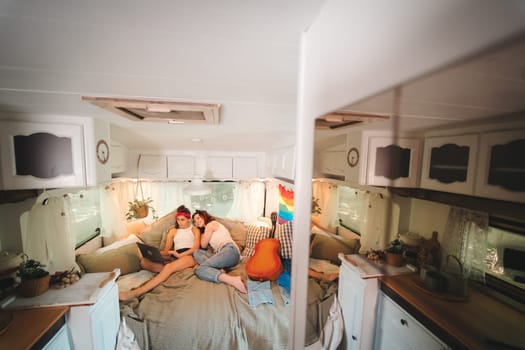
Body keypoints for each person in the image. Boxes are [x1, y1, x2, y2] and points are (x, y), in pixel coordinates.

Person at [119, 205, 201, 301]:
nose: (180, 222)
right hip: (174, 256)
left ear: (188, 219)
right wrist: (156, 254)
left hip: (189, 256)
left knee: (168, 267)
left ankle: (135, 293)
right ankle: (171, 271)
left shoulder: (194, 230)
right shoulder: (173, 231)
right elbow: (167, 250)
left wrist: (180, 255)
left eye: (182, 219)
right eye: (178, 220)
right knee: (144, 262)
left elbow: (196, 247)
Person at [192, 210, 247, 294]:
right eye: (195, 222)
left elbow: (203, 244)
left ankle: (233, 280)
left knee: (200, 270)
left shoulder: (211, 224)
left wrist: (199, 231)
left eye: (198, 218)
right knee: (196, 252)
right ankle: (219, 269)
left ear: (204, 216)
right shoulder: (207, 230)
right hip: (222, 254)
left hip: (230, 251)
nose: (197, 222)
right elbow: (203, 248)